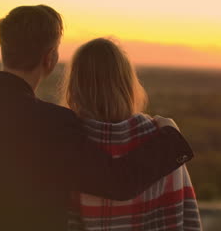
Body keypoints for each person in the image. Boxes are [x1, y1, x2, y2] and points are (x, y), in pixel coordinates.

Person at [0, 5, 194, 231]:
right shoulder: (55, 123)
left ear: (3, 48)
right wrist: (169, 137)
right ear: (50, 58)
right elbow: (118, 182)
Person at [62, 38, 202, 231]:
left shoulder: (68, 143)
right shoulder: (163, 138)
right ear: (127, 83)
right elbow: (188, 216)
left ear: (75, 87)